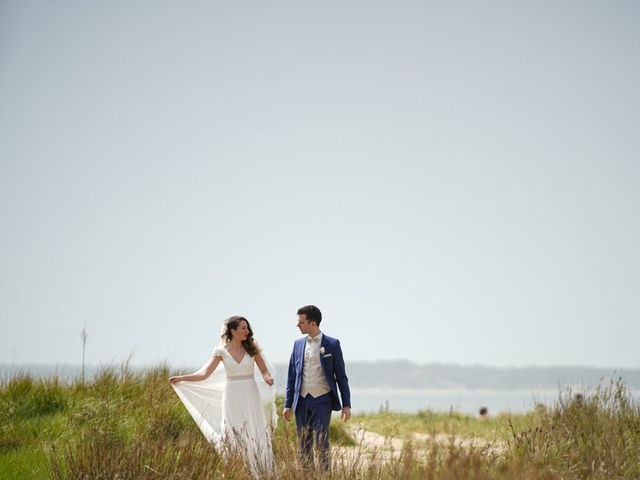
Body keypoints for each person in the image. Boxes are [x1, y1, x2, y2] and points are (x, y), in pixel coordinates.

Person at [170, 316, 276, 476]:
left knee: (254, 428)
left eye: (247, 328)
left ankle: (261, 470)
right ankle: (239, 470)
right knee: (234, 430)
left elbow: (264, 370)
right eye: (243, 328)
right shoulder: (221, 352)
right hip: (232, 394)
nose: (247, 331)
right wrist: (182, 378)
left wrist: (267, 377)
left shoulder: (251, 348)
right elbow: (204, 374)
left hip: (250, 393)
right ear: (233, 331)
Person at [282, 305, 351, 470]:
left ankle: (324, 474)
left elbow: (341, 377)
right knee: (303, 441)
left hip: (323, 400)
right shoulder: (297, 344)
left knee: (322, 440)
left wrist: (346, 405)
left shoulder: (332, 344)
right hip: (302, 401)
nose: (298, 325)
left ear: (312, 323)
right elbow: (292, 376)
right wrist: (287, 404)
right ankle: (307, 474)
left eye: (301, 322)